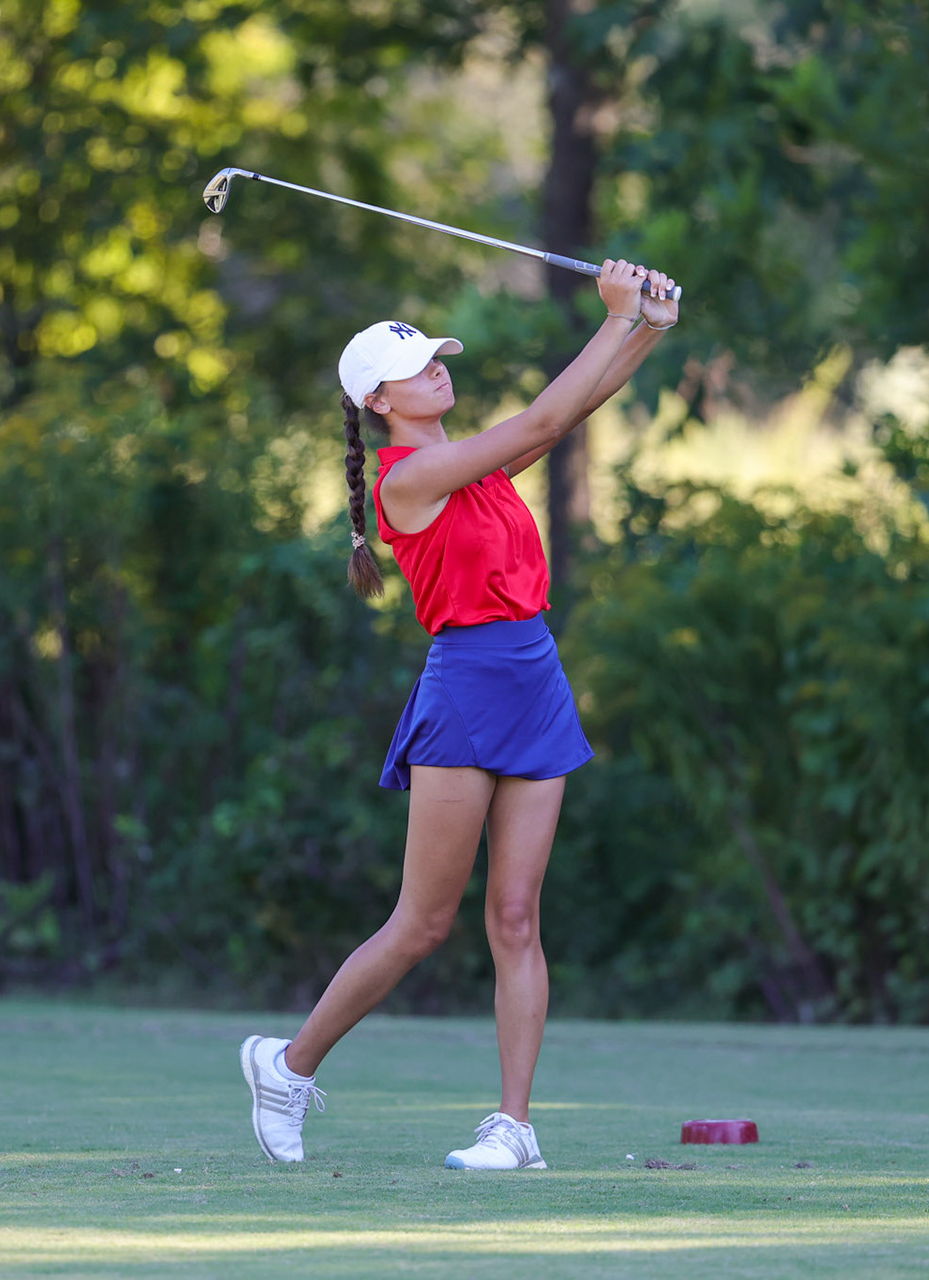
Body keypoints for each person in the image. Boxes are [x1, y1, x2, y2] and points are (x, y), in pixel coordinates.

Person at [240, 259, 680, 1171]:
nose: (439, 368)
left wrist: (647, 329)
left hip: (535, 675)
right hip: (469, 688)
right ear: (378, 398)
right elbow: (546, 417)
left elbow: (570, 417)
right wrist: (612, 315)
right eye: (419, 365)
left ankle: (514, 1128)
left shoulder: (467, 462)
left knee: (517, 917)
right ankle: (287, 1068)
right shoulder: (409, 480)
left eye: (439, 357)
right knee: (424, 923)